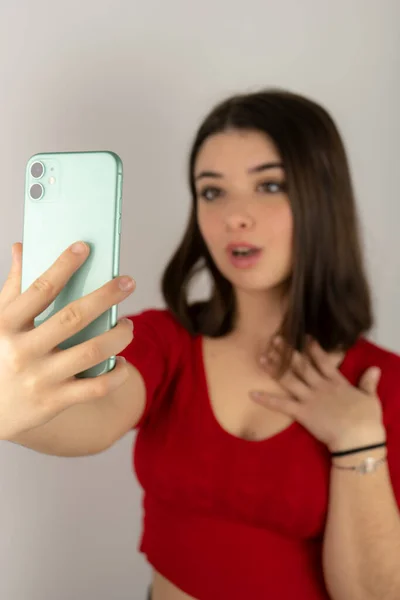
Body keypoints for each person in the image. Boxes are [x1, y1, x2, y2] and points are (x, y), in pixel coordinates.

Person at [1, 88, 400, 599]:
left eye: (270, 185)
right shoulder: (167, 342)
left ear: (322, 196)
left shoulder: (381, 387)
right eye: (213, 192)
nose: (235, 215)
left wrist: (358, 439)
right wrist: (9, 400)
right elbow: (89, 420)